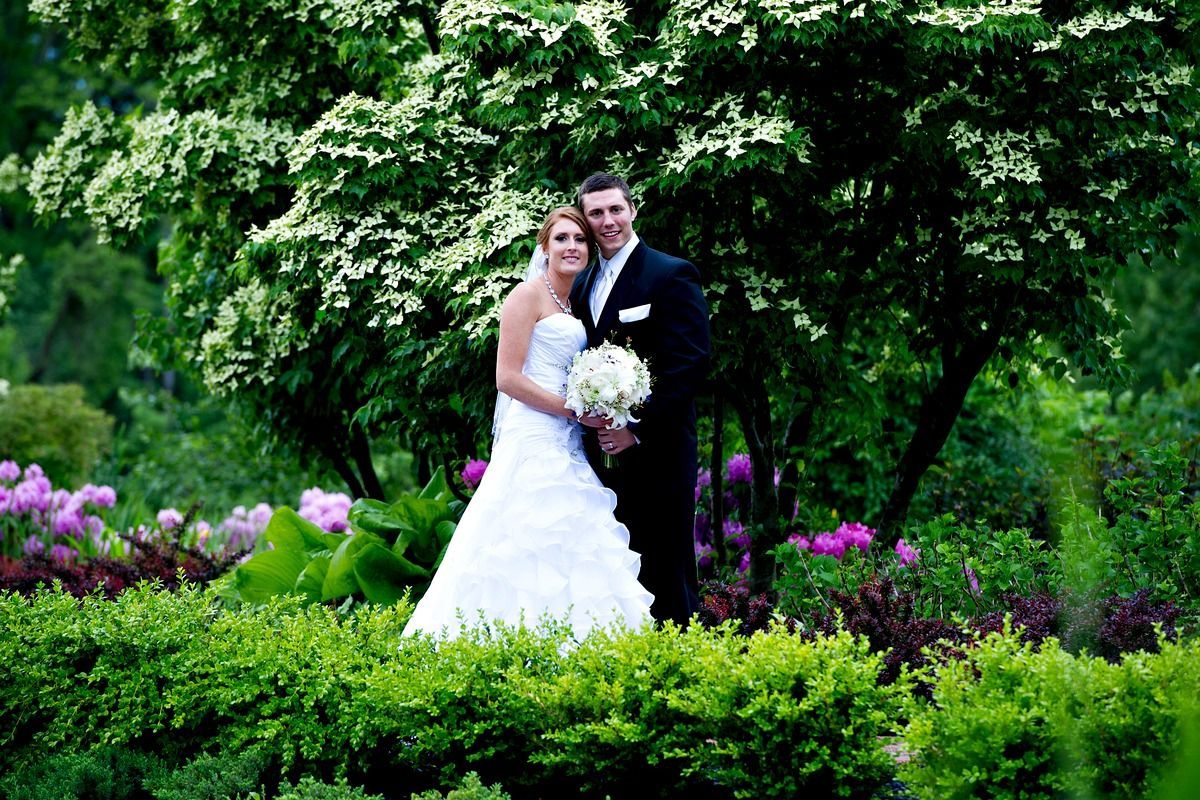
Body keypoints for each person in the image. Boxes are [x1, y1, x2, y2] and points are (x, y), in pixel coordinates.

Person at [402, 206, 653, 640]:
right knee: (528, 532)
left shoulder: (573, 303)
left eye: (579, 239)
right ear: (544, 246)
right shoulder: (525, 295)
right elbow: (507, 378)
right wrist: (574, 410)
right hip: (535, 434)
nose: (571, 246)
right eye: (561, 238)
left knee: (570, 538)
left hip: (566, 438)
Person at [569, 173, 711, 627]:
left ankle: (682, 670)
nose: (607, 220)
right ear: (586, 220)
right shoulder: (582, 283)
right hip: (600, 455)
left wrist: (636, 429)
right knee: (617, 572)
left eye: (615, 209)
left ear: (633, 209)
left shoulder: (670, 273)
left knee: (666, 570)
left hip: (660, 450)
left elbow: (690, 363)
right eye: (596, 213)